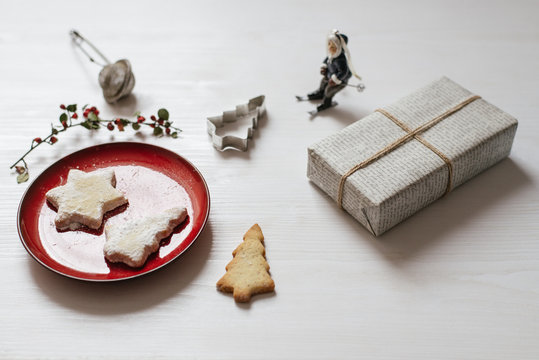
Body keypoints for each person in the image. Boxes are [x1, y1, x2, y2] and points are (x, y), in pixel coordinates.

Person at [308, 30, 362, 112]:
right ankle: (320, 93)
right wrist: (324, 67)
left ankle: (327, 102)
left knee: (329, 90)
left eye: (333, 46)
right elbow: (326, 60)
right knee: (323, 82)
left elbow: (344, 72)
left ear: (339, 47)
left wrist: (336, 79)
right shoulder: (332, 55)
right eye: (329, 44)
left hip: (339, 81)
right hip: (329, 75)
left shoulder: (341, 60)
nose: (330, 47)